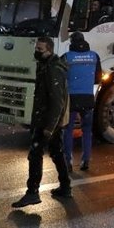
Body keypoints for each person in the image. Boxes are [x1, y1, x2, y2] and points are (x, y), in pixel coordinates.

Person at [12, 37, 71, 208]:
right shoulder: (46, 65)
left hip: (47, 122)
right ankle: (65, 186)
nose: (36, 52)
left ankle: (32, 193)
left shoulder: (52, 69)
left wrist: (49, 128)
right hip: (47, 120)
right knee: (56, 152)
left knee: (35, 155)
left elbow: (57, 101)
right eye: (36, 48)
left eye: (40, 49)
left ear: (49, 50)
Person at [62, 32, 101, 171]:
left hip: (72, 98)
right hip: (88, 98)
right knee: (87, 130)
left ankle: (68, 161)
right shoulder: (94, 56)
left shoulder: (67, 57)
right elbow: (98, 78)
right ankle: (86, 160)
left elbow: (60, 77)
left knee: (68, 130)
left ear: (72, 42)